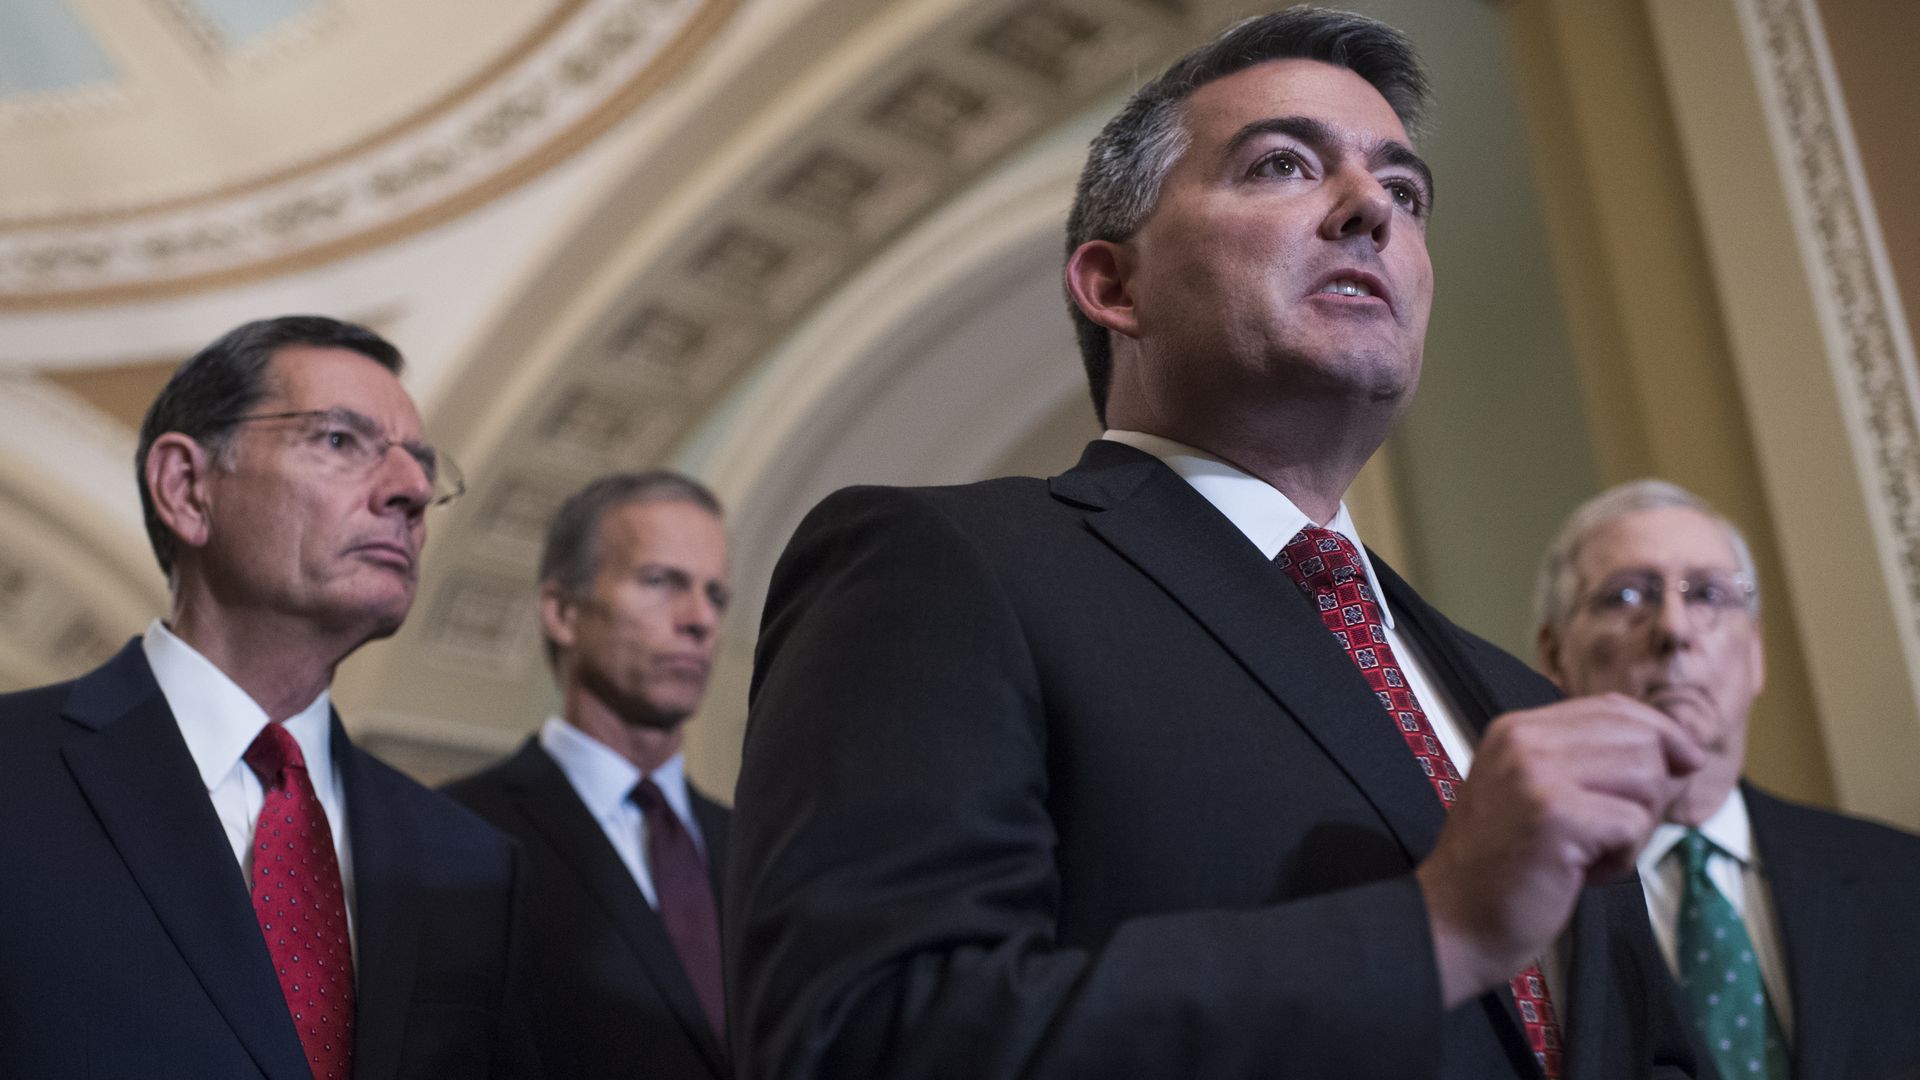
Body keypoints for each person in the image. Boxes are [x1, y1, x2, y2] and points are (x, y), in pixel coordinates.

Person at [727, 8, 1704, 1079]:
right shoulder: (940, 569)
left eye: (1406, 191)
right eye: (1283, 164)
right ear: (1114, 285)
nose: (1370, 208)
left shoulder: (1520, 704)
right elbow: (863, 1037)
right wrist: (1438, 930)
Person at [0, 315, 535, 1079]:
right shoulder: (13, 777)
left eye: (420, 465)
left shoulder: (472, 863)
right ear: (186, 487)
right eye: (340, 441)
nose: (412, 492)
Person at [1535, 479, 1920, 1080]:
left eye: (1710, 594)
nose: (1674, 630)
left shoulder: (1904, 879)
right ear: (1555, 657)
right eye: (1627, 595)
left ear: (1757, 652)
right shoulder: (1522, 911)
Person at [445, 471, 734, 1080]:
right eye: (661, 582)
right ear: (562, 613)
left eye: (716, 595)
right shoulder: (457, 834)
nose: (699, 619)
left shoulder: (762, 848)